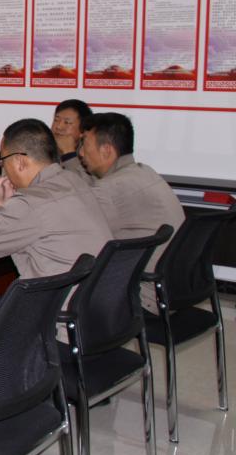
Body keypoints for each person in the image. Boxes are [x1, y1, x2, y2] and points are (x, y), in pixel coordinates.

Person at [0, 118, 111, 280]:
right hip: (97, 289)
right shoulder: (75, 181)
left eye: (2, 161)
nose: (3, 169)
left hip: (63, 295)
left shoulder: (30, 203)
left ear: (20, 162)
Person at [78, 112, 185, 311]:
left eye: (84, 145)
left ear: (106, 150)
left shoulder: (110, 189)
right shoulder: (144, 171)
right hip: (176, 286)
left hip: (143, 295)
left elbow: (77, 236)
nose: (81, 153)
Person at [51, 99, 92, 176]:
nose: (59, 127)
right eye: (56, 120)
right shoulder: (43, 149)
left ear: (82, 130)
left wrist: (69, 154)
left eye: (67, 122)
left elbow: (83, 183)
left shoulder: (91, 156)